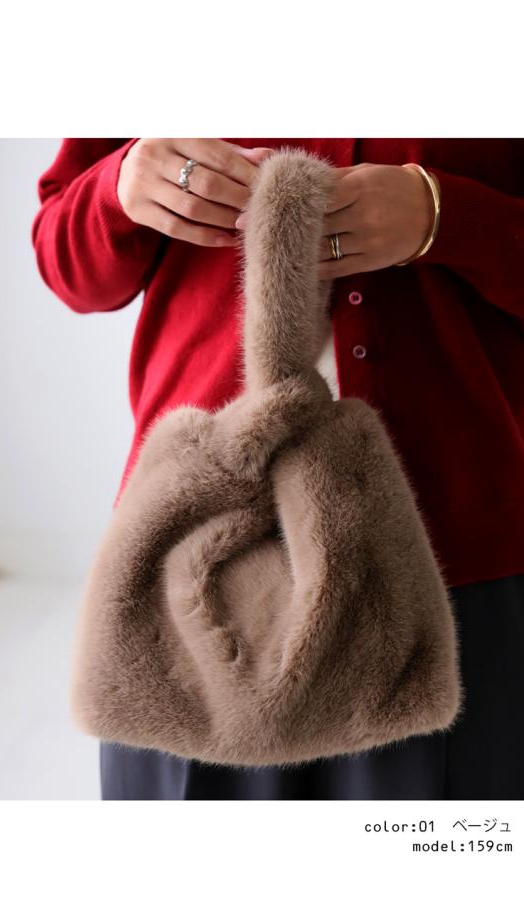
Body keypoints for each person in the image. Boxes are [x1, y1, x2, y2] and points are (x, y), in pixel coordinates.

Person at [32, 138, 524, 800]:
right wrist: (119, 188)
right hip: (193, 553)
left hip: (454, 554)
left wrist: (447, 217)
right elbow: (68, 266)